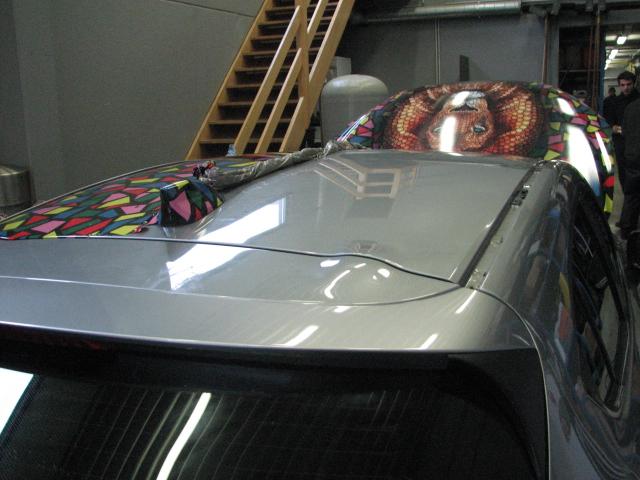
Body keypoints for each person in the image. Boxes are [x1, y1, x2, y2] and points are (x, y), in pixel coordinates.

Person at [603, 71, 639, 193]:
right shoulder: (615, 102)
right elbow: (610, 123)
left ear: (634, 83)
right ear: (619, 85)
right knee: (623, 171)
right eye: (623, 85)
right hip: (621, 142)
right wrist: (615, 128)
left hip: (637, 142)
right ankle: (627, 194)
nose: (626, 88)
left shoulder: (638, 100)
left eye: (629, 84)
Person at [620, 98, 640, 239]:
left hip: (632, 155)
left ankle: (626, 228)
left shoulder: (631, 107)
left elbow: (624, 131)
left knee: (631, 194)